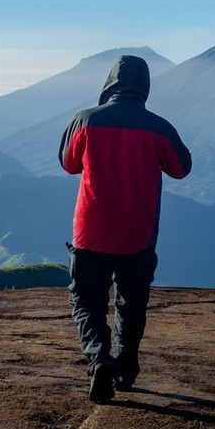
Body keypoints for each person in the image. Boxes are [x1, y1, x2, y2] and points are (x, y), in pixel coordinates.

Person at [58, 54, 191, 403]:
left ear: (109, 83)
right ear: (145, 87)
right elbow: (181, 168)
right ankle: (126, 369)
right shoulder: (158, 127)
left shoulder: (85, 120)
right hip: (137, 233)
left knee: (87, 299)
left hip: (91, 231)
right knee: (132, 303)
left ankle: (99, 358)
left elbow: (68, 163)